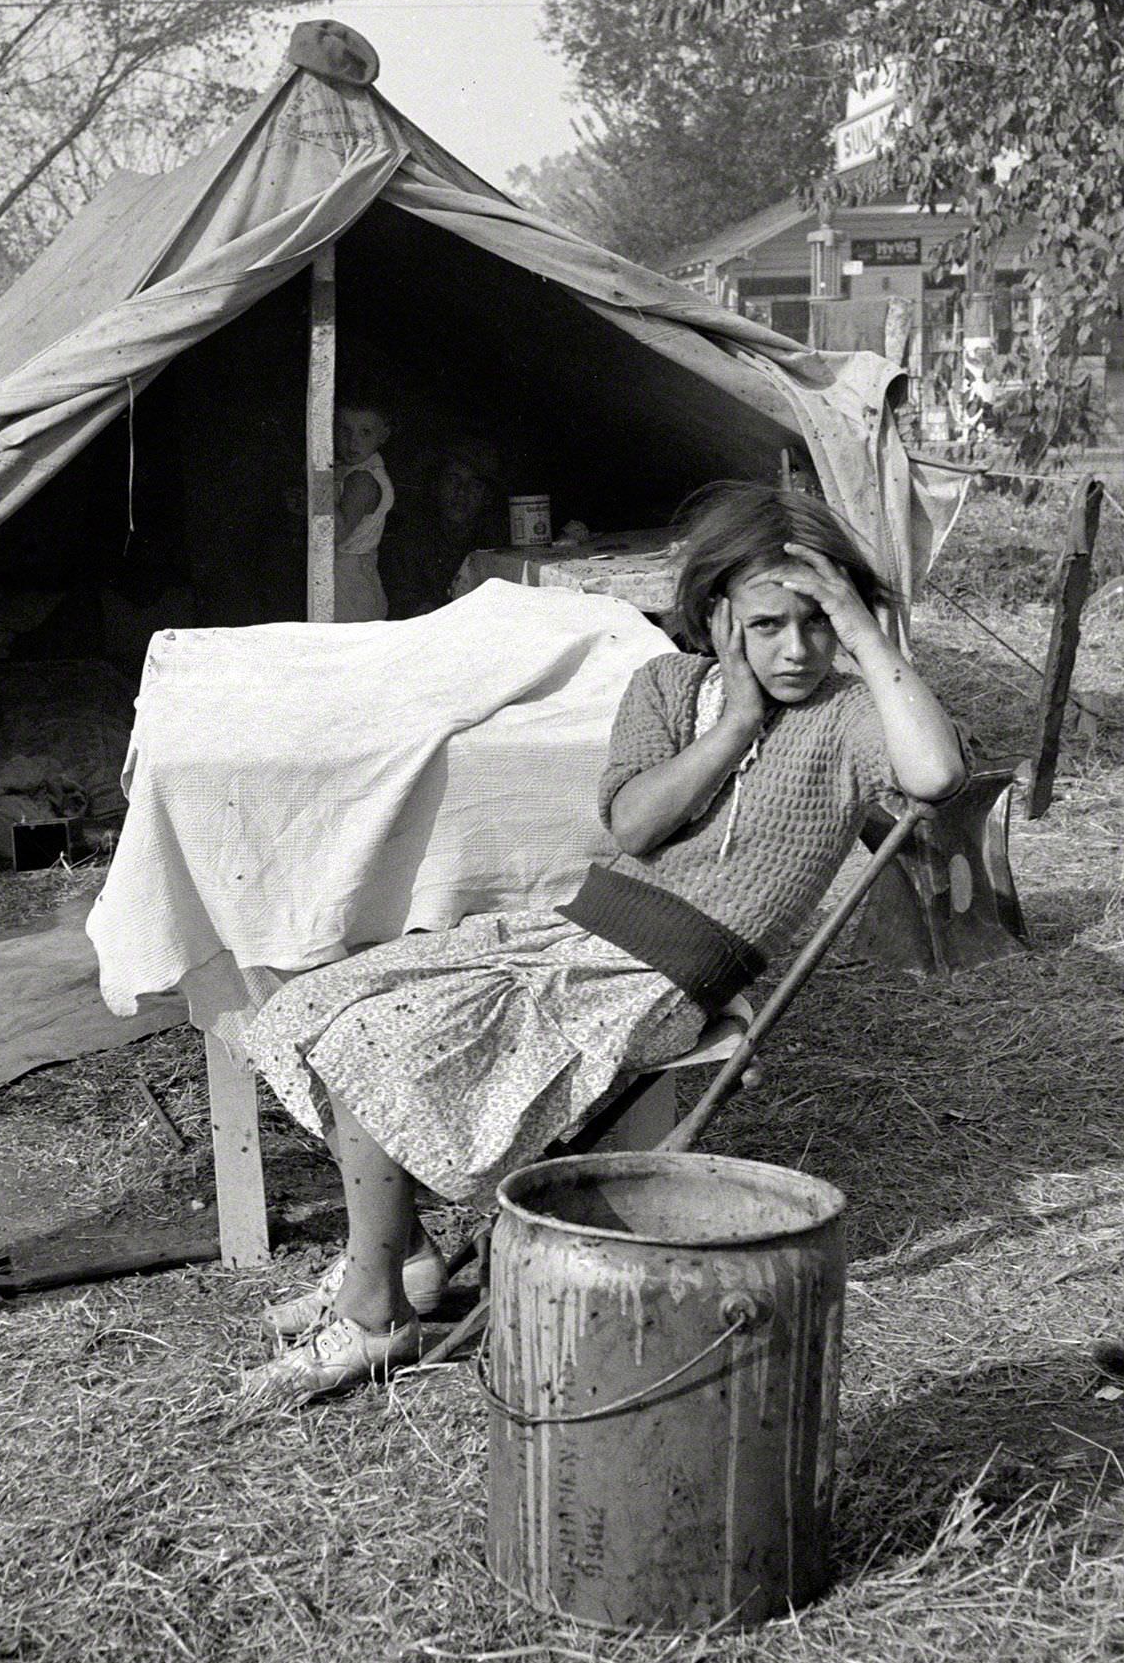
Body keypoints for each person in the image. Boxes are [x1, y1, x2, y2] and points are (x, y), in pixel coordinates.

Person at [237, 482, 968, 1404]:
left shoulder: (849, 717)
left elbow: (937, 772)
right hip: (581, 932)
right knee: (318, 1001)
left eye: (819, 623)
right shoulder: (666, 687)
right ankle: (405, 1257)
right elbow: (632, 826)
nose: (795, 648)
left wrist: (868, 637)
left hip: (671, 970)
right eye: (768, 623)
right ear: (715, 616)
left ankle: (377, 1312)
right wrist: (736, 723)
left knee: (378, 1042)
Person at [379, 436, 504, 618]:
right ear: (436, 485)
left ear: (487, 496)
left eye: (475, 484)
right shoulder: (410, 540)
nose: (462, 492)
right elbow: (402, 602)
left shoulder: (495, 542)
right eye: (453, 480)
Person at [329, 401, 396, 622]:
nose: (353, 441)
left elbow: (338, 532)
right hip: (356, 575)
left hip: (347, 583)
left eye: (365, 432)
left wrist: (321, 485)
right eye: (345, 430)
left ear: (383, 435)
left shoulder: (362, 480)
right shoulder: (356, 468)